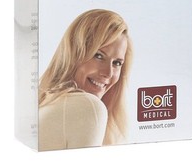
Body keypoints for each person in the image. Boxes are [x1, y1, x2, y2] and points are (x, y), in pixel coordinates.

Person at [38, 9, 133, 151]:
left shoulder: (46, 104)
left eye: (117, 63)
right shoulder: (88, 106)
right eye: (98, 56)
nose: (108, 73)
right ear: (74, 52)